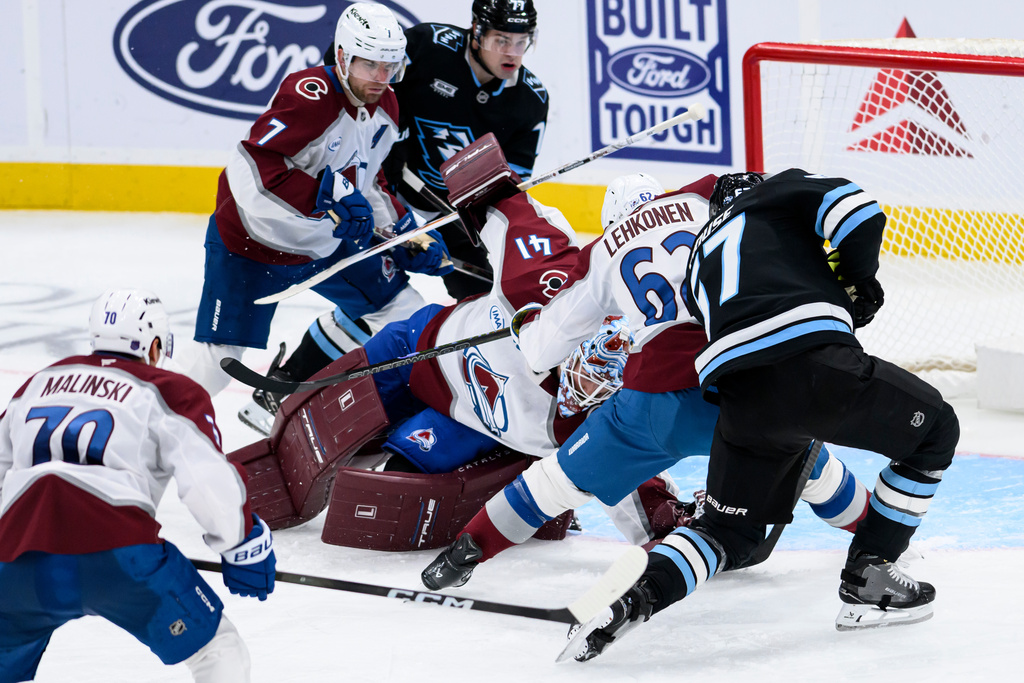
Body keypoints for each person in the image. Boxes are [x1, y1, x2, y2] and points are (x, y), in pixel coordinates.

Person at [559, 170, 960, 661]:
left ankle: (633, 598)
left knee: (726, 532)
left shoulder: (701, 253)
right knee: (936, 430)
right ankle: (869, 577)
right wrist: (860, 285)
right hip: (813, 366)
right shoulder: (778, 191)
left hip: (741, 399)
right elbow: (859, 212)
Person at [419, 173, 871, 591]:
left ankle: (466, 550)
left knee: (554, 482)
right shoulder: (704, 198)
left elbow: (539, 351)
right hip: (729, 392)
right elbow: (779, 205)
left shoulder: (603, 250)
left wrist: (525, 325)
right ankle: (874, 532)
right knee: (809, 464)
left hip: (647, 404)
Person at [242, 0, 552, 432]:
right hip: (385, 197)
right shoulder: (427, 48)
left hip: (456, 218)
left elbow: (505, 186)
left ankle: (484, 405)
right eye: (502, 39)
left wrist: (477, 236)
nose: (513, 53)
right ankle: (285, 385)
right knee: (383, 295)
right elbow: (349, 84)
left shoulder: (530, 101)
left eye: (522, 42)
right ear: (476, 33)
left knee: (488, 302)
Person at [0, 289, 276, 683]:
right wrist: (241, 541)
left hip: (16, 557)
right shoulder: (169, 389)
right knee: (218, 651)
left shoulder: (38, 383)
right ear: (156, 345)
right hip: (118, 555)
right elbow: (207, 479)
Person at [187, 2, 452, 402]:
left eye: (391, 66)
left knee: (406, 316)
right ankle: (146, 432)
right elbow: (249, 170)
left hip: (325, 246)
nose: (382, 79)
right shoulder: (309, 96)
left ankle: (386, 415)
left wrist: (404, 232)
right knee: (218, 366)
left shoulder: (388, 107)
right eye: (370, 65)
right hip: (251, 249)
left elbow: (370, 180)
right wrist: (327, 198)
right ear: (342, 57)